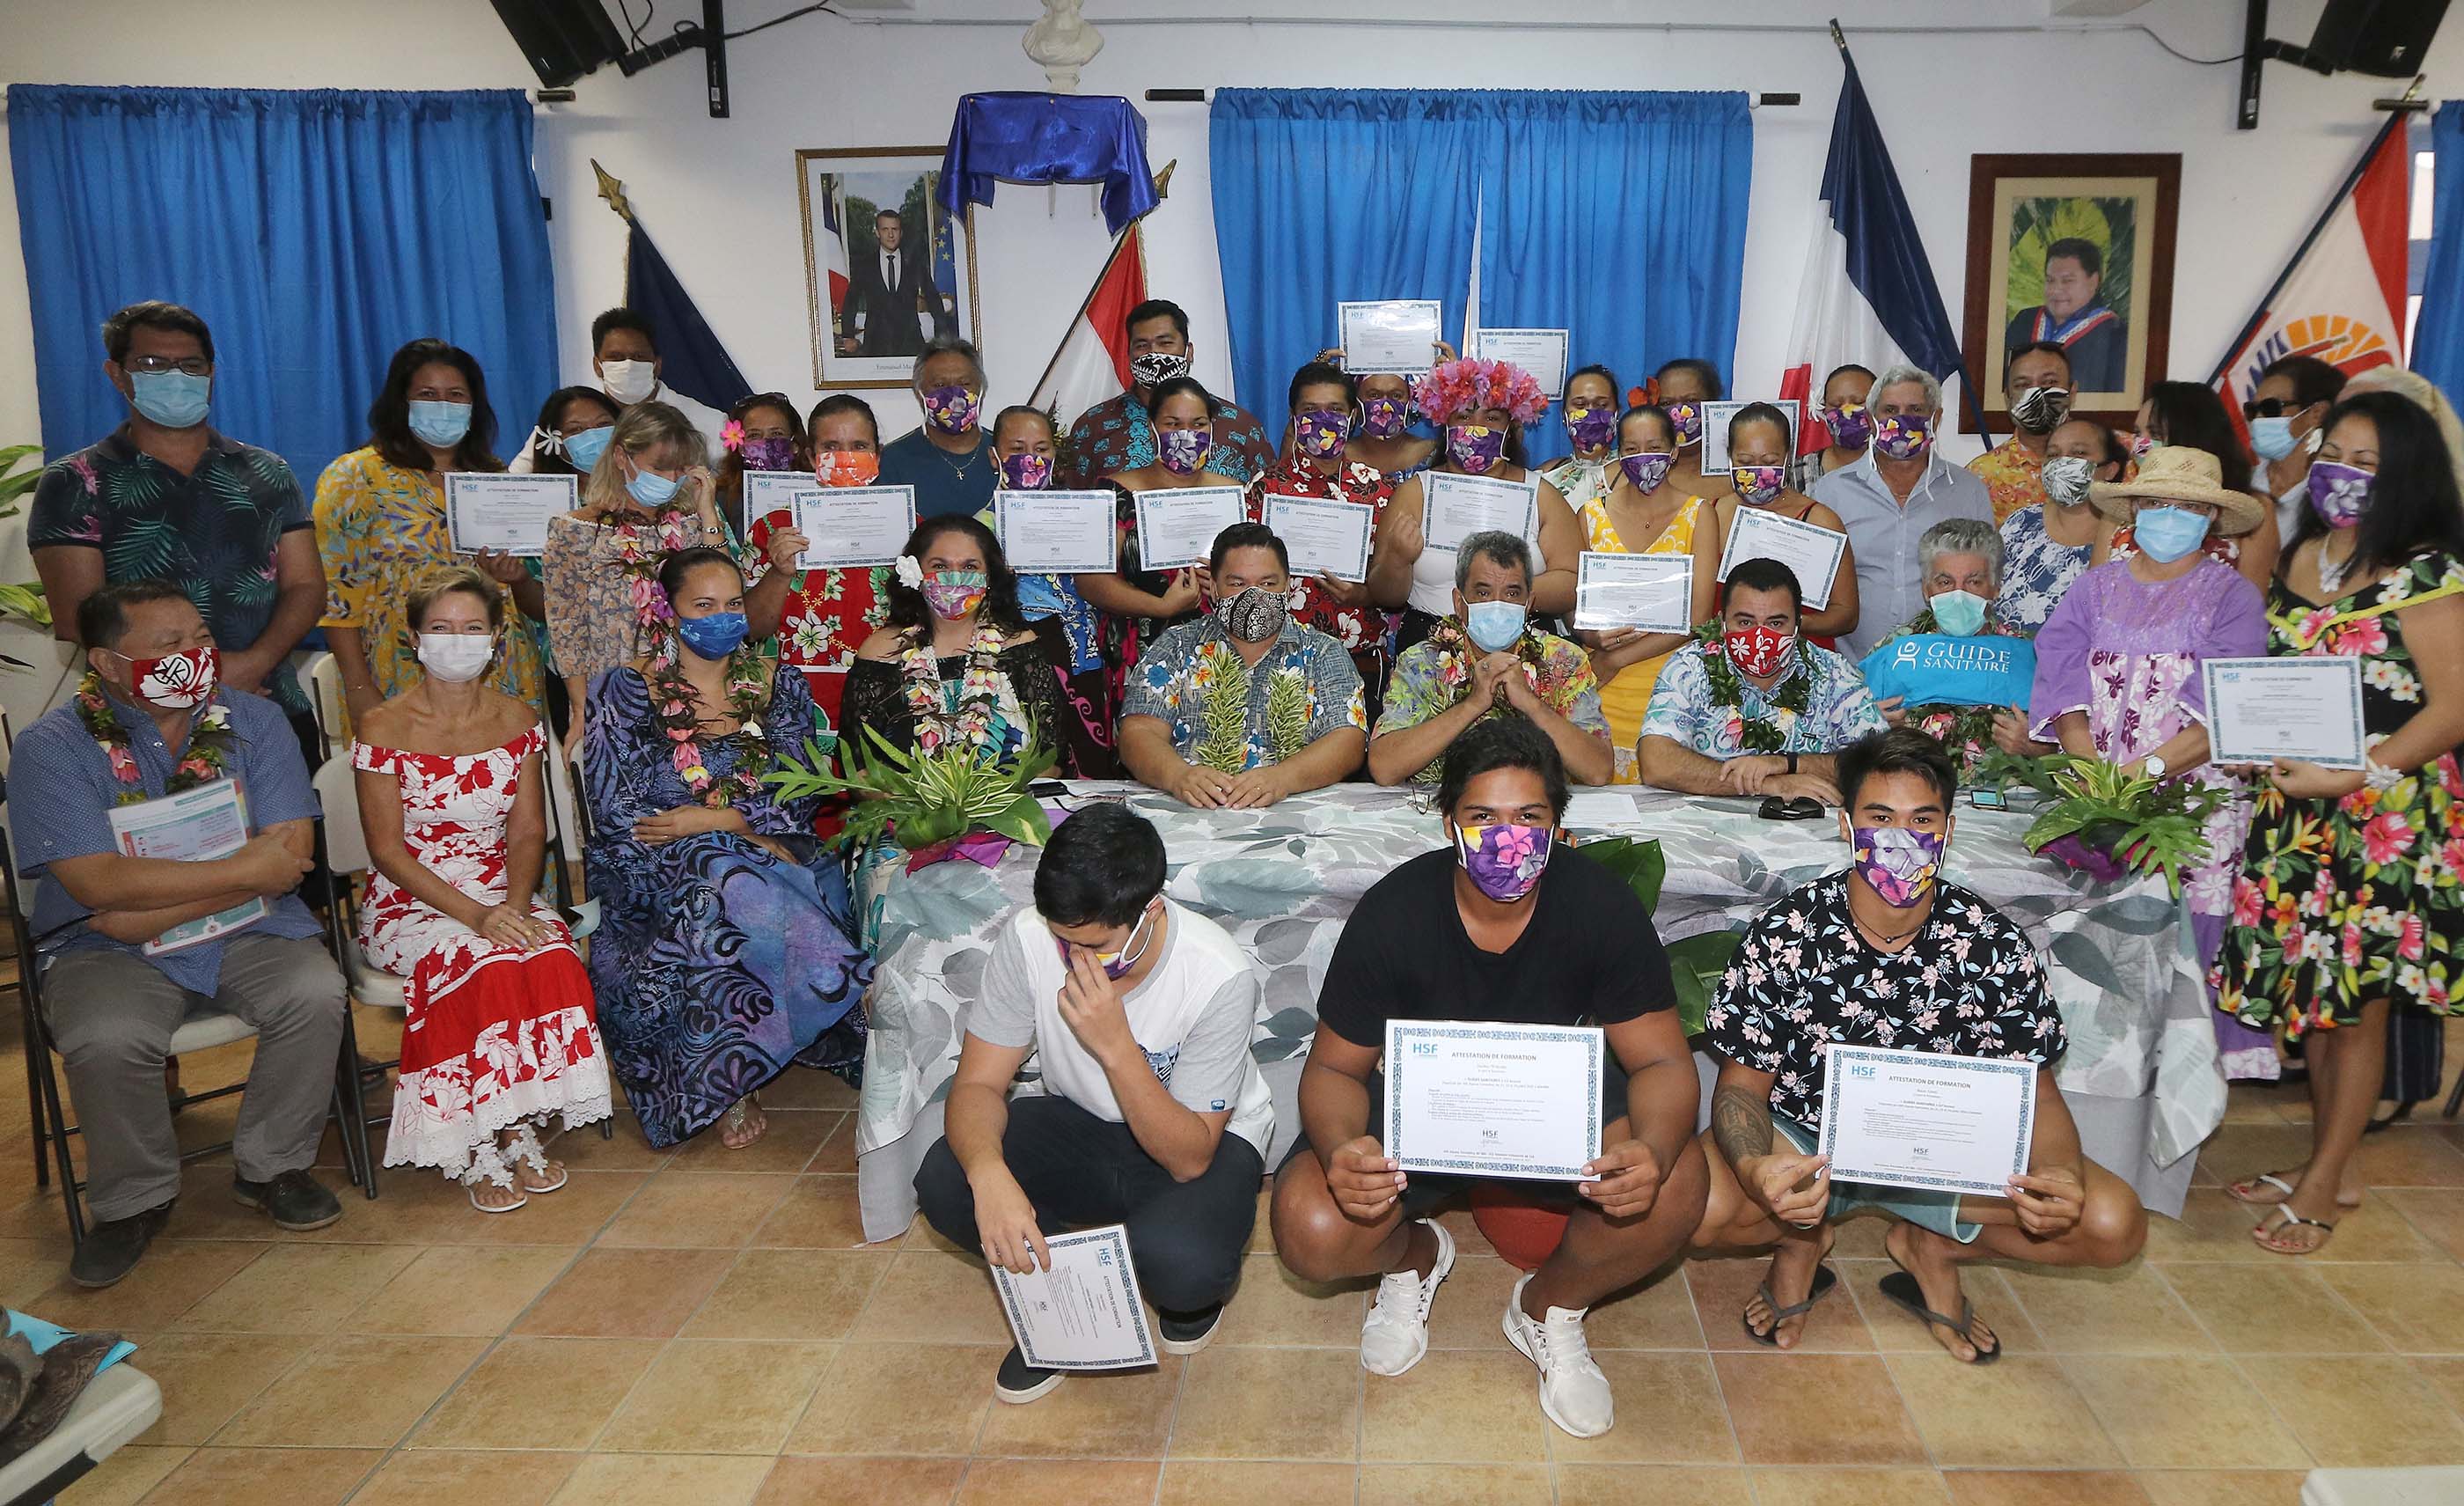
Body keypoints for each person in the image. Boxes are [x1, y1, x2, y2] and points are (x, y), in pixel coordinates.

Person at [1269, 717, 1707, 1439]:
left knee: (1678, 1179)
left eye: (1529, 817)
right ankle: (1413, 1259)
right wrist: (1344, 1146)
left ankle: (1548, 1307)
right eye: (1483, 817)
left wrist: (1654, 1149)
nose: (1508, 838)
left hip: (1552, 1107)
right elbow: (1332, 1068)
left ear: (1559, 828)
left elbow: (1661, 1059)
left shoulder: (1599, 906)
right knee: (1311, 1225)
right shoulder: (1394, 913)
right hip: (1421, 1112)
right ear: (1449, 824)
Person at [1693, 728, 2145, 1359]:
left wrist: (2061, 1178)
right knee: (1702, 1199)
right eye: (1880, 817)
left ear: (1949, 829)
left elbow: (2035, 1093)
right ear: (1847, 827)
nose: (1900, 838)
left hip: (1946, 1152)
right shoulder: (1788, 933)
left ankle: (1931, 1244)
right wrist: (1755, 1168)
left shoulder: (1990, 941)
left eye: (1921, 819)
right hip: (1808, 1143)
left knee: (2107, 1220)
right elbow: (1742, 1088)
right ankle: (1799, 1239)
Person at [17, 582, 344, 1287]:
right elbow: (97, 890)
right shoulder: (53, 747)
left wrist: (156, 901)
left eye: (199, 636)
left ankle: (274, 1166)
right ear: (106, 662)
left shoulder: (254, 720)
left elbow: (288, 854)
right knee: (106, 1034)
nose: (194, 654)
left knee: (315, 989)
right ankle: (134, 1199)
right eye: (169, 645)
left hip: (250, 925)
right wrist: (242, 869)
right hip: (104, 946)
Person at [913, 804, 1273, 1403]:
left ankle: (1169, 1284)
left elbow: (1189, 1156)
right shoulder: (1029, 937)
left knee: (1184, 1264)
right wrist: (990, 1175)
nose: (1076, 958)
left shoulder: (1218, 973)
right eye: (1064, 941)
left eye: (1095, 944)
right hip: (1083, 1121)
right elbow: (976, 1085)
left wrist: (1117, 1048)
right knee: (949, 1177)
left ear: (1149, 909)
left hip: (1199, 1140)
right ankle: (1059, 1309)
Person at [2216, 391, 2464, 1253]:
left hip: (2381, 815)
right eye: (2335, 454)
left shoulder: (2424, 570)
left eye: (2367, 464)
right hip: (2296, 814)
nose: (2342, 475)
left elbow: (2452, 709)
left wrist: (2354, 773)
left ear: (2405, 478)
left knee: (2355, 1005)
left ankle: (2322, 1183)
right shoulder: (2303, 554)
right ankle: (2333, 1156)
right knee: (2314, 999)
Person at [582, 548, 871, 1150]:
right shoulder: (624, 688)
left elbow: (800, 789)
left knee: (742, 865)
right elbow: (617, 808)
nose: (723, 617)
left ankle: (754, 1050)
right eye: (704, 606)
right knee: (718, 872)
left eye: (734, 603)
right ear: (668, 612)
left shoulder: (778, 683)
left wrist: (726, 819)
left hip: (769, 842)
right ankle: (747, 1066)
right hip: (652, 862)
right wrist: (714, 836)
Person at [348, 566, 611, 1211]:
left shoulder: (517, 717)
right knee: (482, 962)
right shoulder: (381, 726)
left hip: (502, 887)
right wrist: (478, 916)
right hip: (411, 898)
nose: (456, 640)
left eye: (472, 628)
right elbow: (385, 849)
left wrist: (515, 907)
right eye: (440, 628)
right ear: (414, 639)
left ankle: (514, 1118)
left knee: (550, 953)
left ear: (497, 636)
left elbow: (528, 832)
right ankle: (473, 1139)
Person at [2031, 446, 2269, 1076]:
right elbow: (2061, 676)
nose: (2171, 516)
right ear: (2133, 507)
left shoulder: (2233, 597)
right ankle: (2096, 1072)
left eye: (2189, 507)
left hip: (2193, 803)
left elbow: (2220, 703)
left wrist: (2149, 772)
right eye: (2159, 502)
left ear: (2212, 520)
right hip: (2100, 796)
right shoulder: (2093, 586)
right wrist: (2091, 773)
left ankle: (2179, 1082)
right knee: (2099, 934)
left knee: (2185, 935)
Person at [30, 300, 326, 759]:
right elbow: (77, 617)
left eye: (190, 365)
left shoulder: (267, 472)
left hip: (268, 704)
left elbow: (306, 585)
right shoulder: (75, 481)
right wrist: (200, 678)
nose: (174, 376)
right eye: (152, 364)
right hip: (144, 727)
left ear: (211, 374)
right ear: (117, 374)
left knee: (292, 831)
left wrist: (253, 665)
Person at [313, 338, 547, 726]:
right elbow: (336, 598)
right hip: (398, 674)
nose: (443, 405)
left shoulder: (492, 476)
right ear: (401, 402)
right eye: (427, 394)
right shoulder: (354, 477)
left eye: (456, 394)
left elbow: (520, 581)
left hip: (502, 673)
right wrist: (358, 687)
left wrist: (510, 575)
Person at [1118, 522, 1367, 807]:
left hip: (1294, 818)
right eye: (1237, 584)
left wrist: (1282, 778)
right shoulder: (1176, 646)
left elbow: (1348, 740)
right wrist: (1179, 775)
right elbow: (1138, 733)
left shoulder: (1324, 652)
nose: (1253, 595)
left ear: (1287, 587)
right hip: (1193, 813)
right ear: (1213, 586)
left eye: (1267, 584)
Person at [540, 401, 746, 734]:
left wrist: (708, 513)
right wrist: (582, 711)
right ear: (622, 457)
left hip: (693, 700)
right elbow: (566, 631)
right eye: (660, 467)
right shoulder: (574, 531)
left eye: (681, 469)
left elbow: (728, 591)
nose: (671, 479)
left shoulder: (692, 525)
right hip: (613, 701)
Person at [1368, 356, 1581, 651]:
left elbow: (1573, 583)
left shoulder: (1541, 494)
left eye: (1492, 418)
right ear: (1445, 424)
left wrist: (1503, 596)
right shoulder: (1415, 492)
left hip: (1522, 644)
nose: (1477, 428)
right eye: (1464, 417)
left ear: (1510, 428)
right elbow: (1384, 595)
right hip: (1431, 646)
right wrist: (1398, 559)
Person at [1370, 531, 1612, 787]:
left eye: (1511, 593)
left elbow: (1598, 770)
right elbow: (1384, 767)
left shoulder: (1564, 661)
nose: (1498, 605)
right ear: (1459, 602)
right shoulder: (1423, 662)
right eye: (1483, 593)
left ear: (1529, 603)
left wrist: (1531, 705)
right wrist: (1473, 704)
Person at [1636, 559, 1887, 804]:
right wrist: (1769, 784)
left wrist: (1788, 764)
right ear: (1722, 624)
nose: (1759, 637)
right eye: (1745, 622)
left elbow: (1884, 762)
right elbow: (1656, 762)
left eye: (1775, 623)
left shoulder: (1833, 674)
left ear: (1798, 625)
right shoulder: (1690, 667)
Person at [1574, 406, 1723, 782]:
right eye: (1631, 449)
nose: (1643, 458)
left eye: (1654, 446)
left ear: (1674, 451)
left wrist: (1618, 659)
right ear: (1618, 455)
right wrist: (1590, 636)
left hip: (1672, 684)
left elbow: (1700, 620)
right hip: (1600, 683)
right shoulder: (1589, 514)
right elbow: (1575, 608)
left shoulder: (1699, 514)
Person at [842, 515, 1063, 766]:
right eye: (939, 566)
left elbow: (1051, 758)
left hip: (1004, 802)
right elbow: (857, 766)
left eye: (970, 567)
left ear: (990, 576)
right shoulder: (881, 651)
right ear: (916, 573)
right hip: (905, 804)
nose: (955, 578)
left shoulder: (1018, 645)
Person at [1809, 364, 1995, 659]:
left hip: (1942, 666)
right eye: (1890, 410)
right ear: (1871, 420)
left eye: (1916, 410)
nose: (1902, 420)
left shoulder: (1969, 491)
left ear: (1936, 419)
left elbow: (1985, 583)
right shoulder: (1832, 491)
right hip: (1851, 671)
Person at [1245, 362, 1398, 715]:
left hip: (1360, 662)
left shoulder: (1382, 490)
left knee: (1357, 767)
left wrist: (1364, 593)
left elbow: (1396, 579)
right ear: (1293, 417)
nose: (1324, 420)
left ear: (1354, 416)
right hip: (1277, 662)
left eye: (1336, 410)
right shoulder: (1265, 488)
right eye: (1310, 410)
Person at [742, 395, 890, 731]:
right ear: (810, 457)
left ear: (878, 455)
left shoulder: (911, 528)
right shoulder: (771, 529)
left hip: (885, 695)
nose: (845, 458)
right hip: (798, 702)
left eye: (859, 446)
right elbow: (752, 628)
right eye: (831, 447)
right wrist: (779, 573)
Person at [986, 404, 1118, 775]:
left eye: (1041, 449)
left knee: (1091, 758)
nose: (1031, 459)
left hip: (1084, 650)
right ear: (994, 457)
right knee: (1035, 756)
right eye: (1017, 449)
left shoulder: (1081, 512)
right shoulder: (979, 528)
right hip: (1022, 654)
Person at [1859, 520, 2044, 777]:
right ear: (1926, 589)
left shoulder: (2030, 656)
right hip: (1909, 797)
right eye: (1945, 582)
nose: (1959, 595)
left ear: (1995, 587)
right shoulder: (1894, 650)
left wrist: (2036, 747)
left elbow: (2074, 748)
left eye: (1974, 582)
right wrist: (1867, 726)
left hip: (2004, 803)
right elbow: (1845, 732)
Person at [1062, 298, 1277, 488]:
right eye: (1142, 345)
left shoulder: (1241, 425)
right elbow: (1075, 506)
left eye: (1165, 343)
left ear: (1189, 351)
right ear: (1128, 355)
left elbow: (1266, 498)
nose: (1154, 353)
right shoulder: (1093, 426)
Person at [2104, 380, 2281, 591]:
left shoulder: (2252, 507)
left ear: (2194, 435)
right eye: (2138, 434)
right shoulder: (2120, 502)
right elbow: (2093, 596)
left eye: (2156, 434)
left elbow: (2252, 605)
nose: (2141, 445)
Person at [1712, 401, 1862, 643]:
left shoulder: (1821, 520)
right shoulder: (1713, 513)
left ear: (1787, 457)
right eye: (1745, 461)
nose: (1757, 473)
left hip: (1800, 664)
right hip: (1726, 661)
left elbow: (1847, 615)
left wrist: (1787, 624)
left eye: (1770, 462)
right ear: (1729, 457)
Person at [1995, 417, 2127, 634]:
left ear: (2111, 469)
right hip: (2007, 660)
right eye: (2054, 455)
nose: (2063, 463)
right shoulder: (2020, 523)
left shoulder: (2127, 539)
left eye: (2079, 453)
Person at [877, 336, 1000, 520]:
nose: (954, 396)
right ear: (919, 395)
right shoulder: (893, 460)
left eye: (965, 384)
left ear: (981, 390)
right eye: (940, 385)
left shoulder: (1006, 453)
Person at [2246, 353, 2348, 543]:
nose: (2258, 420)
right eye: (2252, 410)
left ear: (2316, 413)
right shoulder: (2240, 483)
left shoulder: (2336, 498)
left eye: (2271, 408)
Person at [1969, 342, 2074, 525]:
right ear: (2007, 397)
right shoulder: (1981, 476)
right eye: (2023, 385)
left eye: (2049, 382)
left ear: (2072, 392)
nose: (2036, 393)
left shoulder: (2116, 456)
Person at [2003, 238, 2125, 393]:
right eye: (2050, 280)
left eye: (2067, 281)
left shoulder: (2115, 334)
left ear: (2093, 282)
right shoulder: (2025, 319)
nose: (2056, 290)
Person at [712, 390, 810, 538]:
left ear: (795, 444)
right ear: (741, 448)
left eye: (776, 434)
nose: (766, 442)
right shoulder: (722, 497)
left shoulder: (816, 489)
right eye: (754, 435)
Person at [840, 208, 936, 358]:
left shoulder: (915, 263)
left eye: (895, 229)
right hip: (875, 346)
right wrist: (848, 335)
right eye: (885, 229)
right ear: (877, 232)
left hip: (911, 345)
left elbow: (933, 297)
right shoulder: (864, 265)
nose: (890, 235)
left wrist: (942, 337)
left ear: (901, 232)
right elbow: (851, 301)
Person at [1536, 364, 1624, 515]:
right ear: (1564, 416)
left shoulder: (1632, 471)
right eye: (1580, 405)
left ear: (1617, 413)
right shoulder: (1547, 474)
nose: (1590, 414)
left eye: (1602, 405)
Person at [1651, 357, 1725, 505]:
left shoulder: (1735, 469)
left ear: (1713, 403)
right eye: (1666, 403)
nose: (1678, 411)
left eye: (1691, 400)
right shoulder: (1646, 473)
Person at [509, 384, 621, 478]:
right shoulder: (541, 498)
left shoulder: (637, 488)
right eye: (576, 429)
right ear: (554, 441)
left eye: (603, 424)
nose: (593, 436)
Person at [1347, 369, 1441, 481]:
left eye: (1396, 396)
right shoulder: (1337, 457)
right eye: (1374, 395)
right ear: (1356, 401)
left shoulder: (1434, 455)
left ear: (1410, 402)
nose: (1386, 406)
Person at [589, 307, 669, 410]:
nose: (629, 366)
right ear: (597, 366)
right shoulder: (588, 422)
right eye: (616, 357)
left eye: (639, 356)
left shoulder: (692, 418)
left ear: (657, 366)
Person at [1812, 364, 1876, 479]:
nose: (1847, 411)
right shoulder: (1798, 470)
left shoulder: (1902, 469)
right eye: (1836, 404)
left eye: (1858, 402)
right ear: (1823, 409)